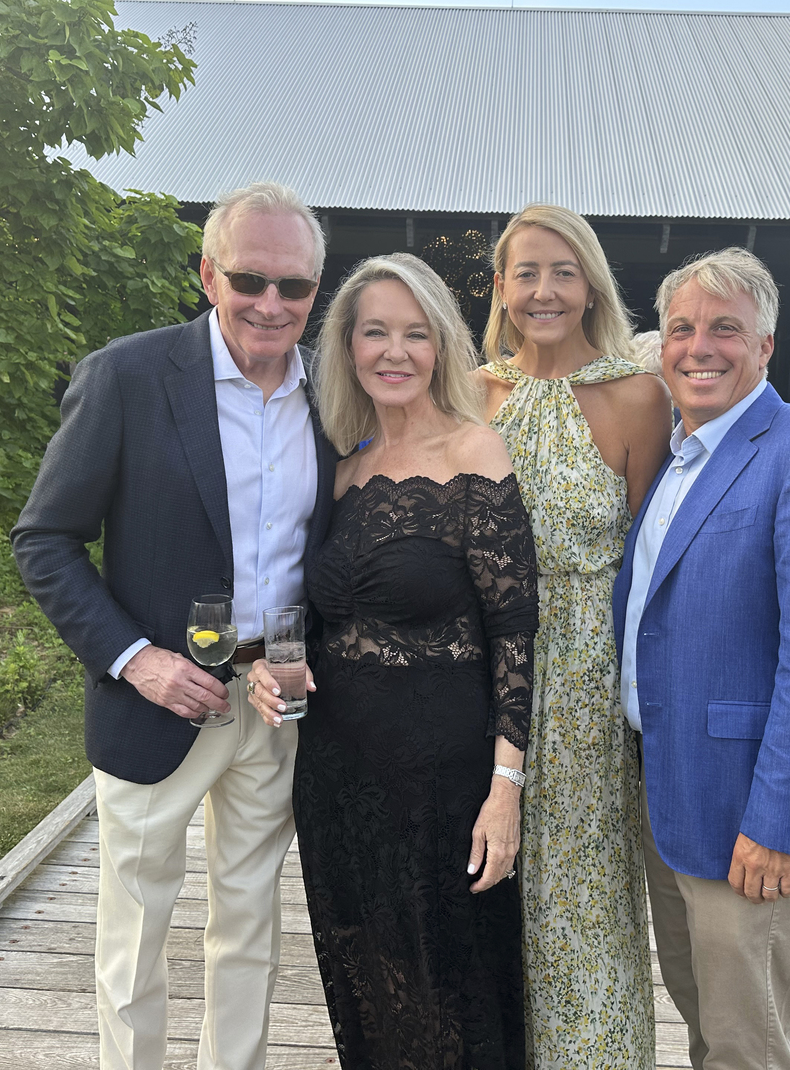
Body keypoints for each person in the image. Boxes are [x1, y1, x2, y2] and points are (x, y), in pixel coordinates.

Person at [11, 181, 338, 1070]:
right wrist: (134, 660)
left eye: (295, 286)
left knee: (249, 922)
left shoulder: (335, 400)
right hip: (157, 702)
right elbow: (44, 540)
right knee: (135, 931)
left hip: (276, 709)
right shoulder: (126, 375)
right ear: (207, 274)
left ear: (317, 289)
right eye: (250, 277)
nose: (271, 303)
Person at [245, 253, 538, 1069]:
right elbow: (311, 618)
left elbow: (517, 635)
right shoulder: (341, 470)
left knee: (455, 984)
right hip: (339, 773)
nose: (394, 351)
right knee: (366, 977)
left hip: (443, 781)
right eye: (375, 331)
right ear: (347, 346)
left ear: (441, 346)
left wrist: (504, 790)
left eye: (415, 333)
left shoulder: (477, 453)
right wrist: (278, 665)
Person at [614, 247, 790, 1070]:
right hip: (676, 796)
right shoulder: (682, 456)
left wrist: (775, 825)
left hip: (750, 818)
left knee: (747, 1045)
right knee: (707, 1024)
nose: (699, 346)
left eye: (725, 329)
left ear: (766, 345)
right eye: (682, 327)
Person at [477, 205, 672, 1068]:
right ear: (501, 288)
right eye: (527, 273)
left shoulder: (635, 395)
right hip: (477, 669)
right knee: (484, 882)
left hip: (587, 681)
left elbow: (653, 561)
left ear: (589, 281)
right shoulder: (470, 391)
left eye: (562, 271)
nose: (544, 290)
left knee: (579, 899)